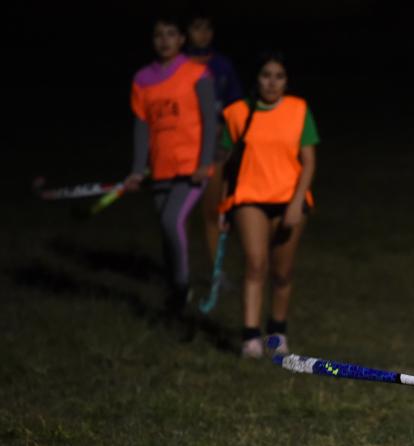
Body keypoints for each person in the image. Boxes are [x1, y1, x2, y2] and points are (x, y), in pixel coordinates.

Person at [219, 52, 318, 358]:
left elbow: (308, 161)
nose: (272, 83)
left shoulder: (298, 109)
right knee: (255, 263)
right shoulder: (237, 112)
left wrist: (296, 202)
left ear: (287, 80)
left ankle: (277, 332)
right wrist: (224, 206)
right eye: (266, 75)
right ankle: (250, 336)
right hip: (250, 198)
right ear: (256, 79)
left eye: (279, 76)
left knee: (282, 271)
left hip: (289, 199)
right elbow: (228, 163)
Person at [125, 17, 217, 319]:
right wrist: (137, 169)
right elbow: (141, 126)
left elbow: (209, 120)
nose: (164, 40)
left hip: (191, 167)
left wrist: (205, 162)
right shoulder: (142, 78)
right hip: (161, 167)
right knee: (167, 231)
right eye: (158, 35)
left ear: (181, 40)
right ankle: (173, 290)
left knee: (171, 220)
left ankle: (181, 287)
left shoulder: (197, 73)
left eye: (171, 34)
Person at [186, 14, 243, 275]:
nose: (203, 34)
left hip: (213, 149)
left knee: (212, 211)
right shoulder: (177, 66)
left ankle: (215, 273)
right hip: (184, 148)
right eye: (197, 28)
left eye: (208, 28)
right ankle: (181, 272)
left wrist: (229, 137)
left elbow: (235, 107)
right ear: (186, 32)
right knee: (181, 215)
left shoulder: (222, 65)